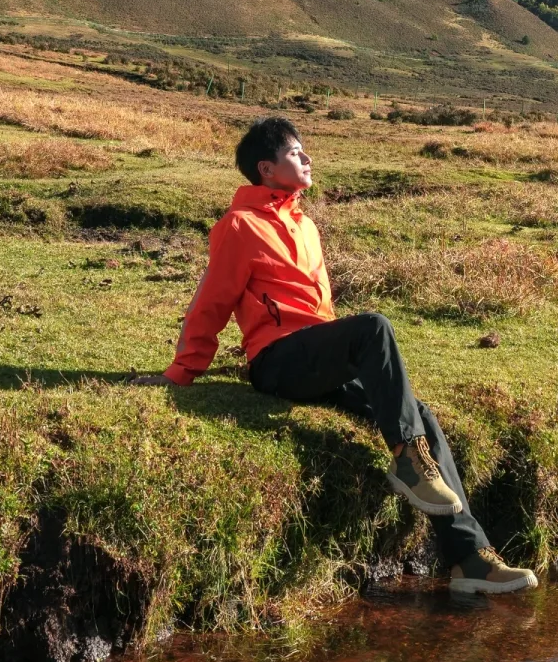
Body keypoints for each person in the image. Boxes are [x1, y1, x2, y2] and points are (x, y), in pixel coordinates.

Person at [134, 116, 537, 595]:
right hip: (276, 361)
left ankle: (471, 558)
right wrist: (183, 372)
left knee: (420, 414)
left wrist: (343, 358)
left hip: (317, 358)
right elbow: (211, 302)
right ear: (266, 168)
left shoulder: (306, 226)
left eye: (305, 150)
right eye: (294, 153)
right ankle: (408, 461)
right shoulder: (237, 227)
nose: (307, 158)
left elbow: (321, 311)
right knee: (374, 328)